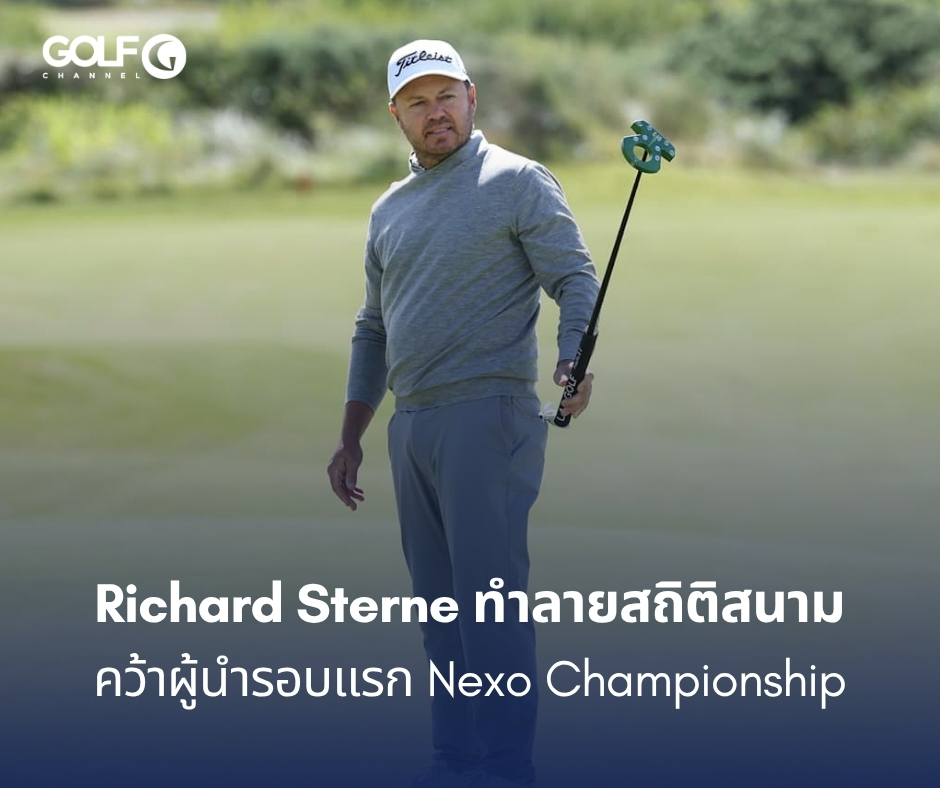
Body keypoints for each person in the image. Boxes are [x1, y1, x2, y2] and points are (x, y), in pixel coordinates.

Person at [327, 39, 599, 788]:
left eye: (446, 95)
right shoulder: (389, 208)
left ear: (472, 98)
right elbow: (373, 329)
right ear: (396, 114)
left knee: (489, 606)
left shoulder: (516, 180)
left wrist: (573, 359)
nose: (435, 111)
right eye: (417, 101)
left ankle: (508, 767)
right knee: (440, 614)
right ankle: (455, 759)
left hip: (488, 414)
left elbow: (575, 277)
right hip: (411, 424)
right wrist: (351, 435)